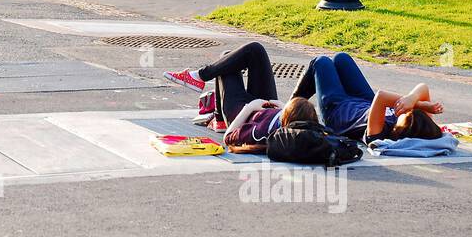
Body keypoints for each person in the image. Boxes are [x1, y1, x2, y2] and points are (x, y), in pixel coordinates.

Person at [165, 42, 316, 136]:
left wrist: (250, 108)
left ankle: (200, 80)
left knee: (226, 58)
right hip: (269, 106)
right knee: (252, 51)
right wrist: (284, 108)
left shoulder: (266, 137)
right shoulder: (307, 131)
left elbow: (229, 138)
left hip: (244, 115)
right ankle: (200, 79)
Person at [291, 52, 443, 141]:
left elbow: (382, 97)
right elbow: (423, 87)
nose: (404, 110)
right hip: (365, 101)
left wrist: (419, 103)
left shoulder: (378, 134)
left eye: (404, 114)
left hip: (337, 110)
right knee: (341, 58)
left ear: (399, 130)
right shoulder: (422, 125)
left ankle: (289, 110)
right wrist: (413, 98)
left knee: (321, 62)